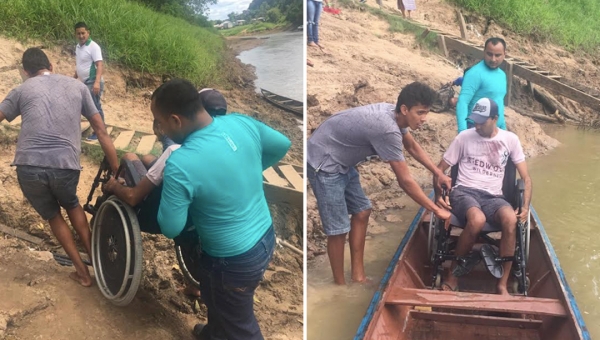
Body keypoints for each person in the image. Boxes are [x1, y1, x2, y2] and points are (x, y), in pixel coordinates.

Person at [150, 79, 291, 340]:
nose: (160, 128)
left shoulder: (181, 163)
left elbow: (171, 227)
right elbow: (282, 144)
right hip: (265, 237)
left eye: (160, 122)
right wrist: (243, 172)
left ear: (176, 121)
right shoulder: (240, 122)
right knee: (218, 301)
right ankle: (214, 333)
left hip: (230, 261)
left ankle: (223, 331)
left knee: (241, 327)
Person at [307, 82, 452, 285]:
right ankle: (339, 285)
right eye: (420, 113)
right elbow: (405, 181)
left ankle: (358, 276)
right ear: (404, 109)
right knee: (338, 229)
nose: (424, 119)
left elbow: (411, 145)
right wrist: (435, 210)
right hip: (324, 163)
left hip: (343, 161)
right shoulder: (386, 130)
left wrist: (439, 173)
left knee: (363, 211)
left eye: (426, 113)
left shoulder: (395, 117)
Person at [0, 48, 118, 287]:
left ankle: (83, 274)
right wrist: (116, 168)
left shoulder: (21, 89)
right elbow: (100, 129)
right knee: (72, 205)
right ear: (51, 66)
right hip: (66, 166)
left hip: (28, 167)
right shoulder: (78, 87)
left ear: (25, 72)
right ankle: (100, 263)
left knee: (53, 216)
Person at [102, 88, 228, 297]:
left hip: (151, 215)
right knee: (149, 160)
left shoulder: (176, 153)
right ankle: (195, 287)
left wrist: (115, 187)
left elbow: (133, 198)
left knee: (131, 157)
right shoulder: (223, 152)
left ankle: (118, 178)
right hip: (193, 222)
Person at [435, 98, 532, 295]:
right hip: (465, 192)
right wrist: (439, 198)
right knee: (477, 219)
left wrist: (525, 206)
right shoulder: (463, 137)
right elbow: (439, 170)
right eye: (475, 121)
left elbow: (526, 178)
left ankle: (502, 284)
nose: (476, 125)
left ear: (495, 118)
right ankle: (452, 276)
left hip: (493, 197)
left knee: (510, 219)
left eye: (482, 121)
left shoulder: (510, 140)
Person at [456, 37, 508, 133]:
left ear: (504, 54)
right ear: (484, 52)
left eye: (497, 55)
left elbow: (499, 101)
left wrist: (503, 128)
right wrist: (462, 131)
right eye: (489, 54)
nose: (493, 59)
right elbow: (463, 102)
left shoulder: (502, 75)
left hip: (496, 129)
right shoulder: (475, 73)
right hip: (476, 128)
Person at [74, 22, 106, 141]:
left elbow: (99, 65)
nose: (81, 36)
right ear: (75, 34)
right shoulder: (78, 47)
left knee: (94, 107)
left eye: (83, 33)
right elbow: (80, 64)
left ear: (88, 33)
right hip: (83, 82)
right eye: (79, 33)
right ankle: (97, 130)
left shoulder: (93, 46)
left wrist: (97, 82)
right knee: (86, 106)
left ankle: (99, 133)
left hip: (92, 82)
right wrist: (74, 77)